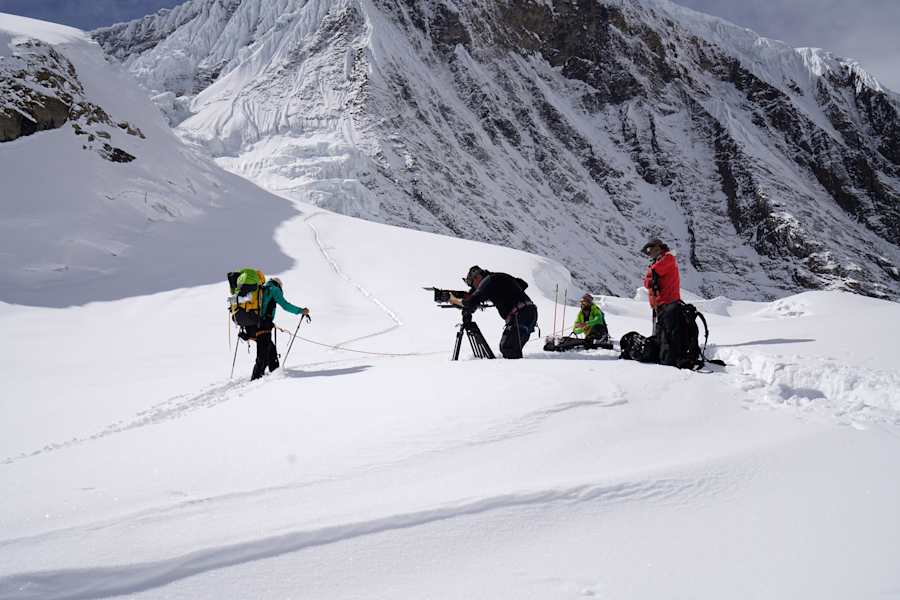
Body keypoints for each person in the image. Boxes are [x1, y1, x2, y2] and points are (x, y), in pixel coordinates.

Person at [449, 265, 537, 359]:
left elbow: (472, 301)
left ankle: (523, 372)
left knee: (508, 348)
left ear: (477, 277)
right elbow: (523, 284)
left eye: (472, 284)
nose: (474, 288)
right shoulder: (496, 279)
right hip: (529, 313)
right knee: (511, 349)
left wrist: (454, 300)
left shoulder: (489, 280)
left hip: (521, 315)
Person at [242, 276, 309, 380]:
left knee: (270, 350)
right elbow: (285, 305)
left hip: (251, 327)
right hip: (263, 326)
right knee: (263, 354)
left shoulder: (260, 290)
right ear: (278, 285)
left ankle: (275, 374)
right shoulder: (274, 289)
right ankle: (256, 379)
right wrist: (301, 311)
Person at [641, 238, 682, 365]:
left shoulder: (667, 259)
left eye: (649, 250)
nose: (648, 253)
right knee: (662, 332)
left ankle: (668, 358)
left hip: (668, 302)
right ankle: (662, 355)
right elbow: (649, 281)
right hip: (661, 303)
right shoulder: (660, 260)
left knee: (667, 332)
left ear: (658, 248)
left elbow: (651, 276)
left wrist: (649, 275)